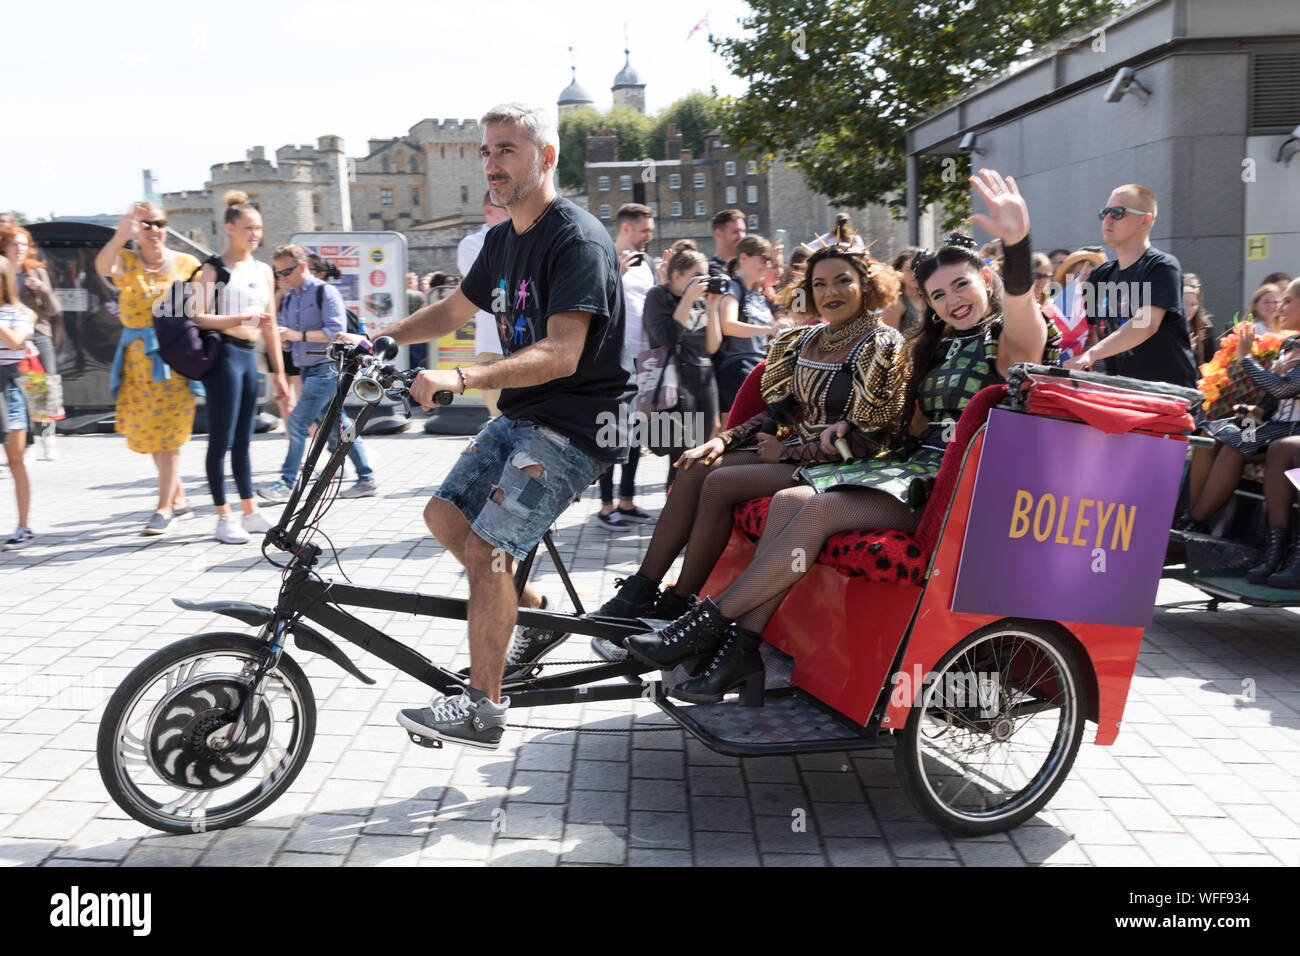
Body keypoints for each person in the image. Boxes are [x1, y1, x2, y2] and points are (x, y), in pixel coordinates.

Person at [620, 169, 1059, 703]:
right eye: (939, 294)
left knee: (818, 510)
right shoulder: (934, 346)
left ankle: (699, 625)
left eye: (963, 285)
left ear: (986, 281)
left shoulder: (1006, 345)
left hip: (962, 492)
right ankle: (742, 652)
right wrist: (847, 428)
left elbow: (1024, 314)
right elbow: (903, 424)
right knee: (789, 501)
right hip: (910, 473)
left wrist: (1017, 244)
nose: (951, 301)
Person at [333, 102, 633, 749]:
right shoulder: (502, 240)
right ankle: (530, 617)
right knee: (445, 517)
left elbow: (563, 353)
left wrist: (463, 378)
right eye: (487, 152)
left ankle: (483, 706)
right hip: (529, 414)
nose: (493, 164)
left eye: (507, 150)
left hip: (581, 423)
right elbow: (451, 310)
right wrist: (378, 340)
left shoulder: (573, 239)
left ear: (545, 158)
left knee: (489, 550)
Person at [595, 241, 910, 635]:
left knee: (720, 481)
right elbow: (779, 413)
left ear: (866, 285)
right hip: (792, 456)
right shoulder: (805, 340)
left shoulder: (882, 344)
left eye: (843, 281)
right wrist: (722, 441)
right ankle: (640, 592)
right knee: (696, 465)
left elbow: (867, 440)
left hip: (844, 467)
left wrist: (786, 451)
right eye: (819, 284)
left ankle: (679, 604)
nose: (830, 292)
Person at [93, 203, 202, 535]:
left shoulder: (187, 264)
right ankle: (180, 500)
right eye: (146, 224)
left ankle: (163, 507)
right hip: (138, 365)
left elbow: (206, 308)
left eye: (160, 223)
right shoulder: (126, 262)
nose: (154, 230)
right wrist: (121, 234)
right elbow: (101, 266)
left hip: (173, 360)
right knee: (153, 438)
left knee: (169, 439)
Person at [192, 191, 291, 544]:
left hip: (250, 358)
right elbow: (197, 316)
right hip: (224, 358)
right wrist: (239, 317)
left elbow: (270, 324)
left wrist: (279, 372)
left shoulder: (263, 270)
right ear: (230, 228)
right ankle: (223, 516)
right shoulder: (214, 268)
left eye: (259, 228)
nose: (254, 234)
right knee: (220, 441)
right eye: (248, 228)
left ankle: (249, 510)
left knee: (244, 442)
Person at [1182, 278, 1300, 542]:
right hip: (1273, 424)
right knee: (1208, 434)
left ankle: (1195, 524)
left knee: (1235, 447)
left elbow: (1285, 389)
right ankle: (1191, 519)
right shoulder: (1288, 344)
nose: (1280, 308)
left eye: (1288, 301)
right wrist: (1255, 410)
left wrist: (1246, 359)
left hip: (1292, 431)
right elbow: (1276, 398)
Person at [257, 244, 378, 501]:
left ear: (302, 267)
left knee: (298, 422)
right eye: (278, 273)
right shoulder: (290, 297)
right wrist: (286, 339)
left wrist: (295, 335)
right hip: (307, 370)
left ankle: (287, 482)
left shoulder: (326, 292)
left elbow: (336, 333)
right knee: (341, 424)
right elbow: (291, 335)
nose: (282, 278)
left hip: (326, 369)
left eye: (286, 271)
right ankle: (367, 479)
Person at [1064, 185, 1197, 387]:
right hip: (1123, 394)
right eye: (1104, 212)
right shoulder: (1101, 275)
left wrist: (1091, 355)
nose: (1108, 219)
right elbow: (1068, 324)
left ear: (1145, 220)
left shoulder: (1162, 266)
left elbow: (1146, 324)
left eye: (1118, 213)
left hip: (1168, 397)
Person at [597, 202, 657, 529]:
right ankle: (605, 507)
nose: (650, 235)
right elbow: (592, 301)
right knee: (611, 433)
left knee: (635, 436)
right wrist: (613, 276)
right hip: (614, 360)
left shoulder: (645, 264)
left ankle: (627, 501)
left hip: (642, 361)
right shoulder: (605, 256)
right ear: (625, 228)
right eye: (645, 229)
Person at [642, 248, 723, 487]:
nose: (703, 281)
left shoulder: (701, 299)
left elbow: (712, 346)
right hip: (676, 380)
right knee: (681, 453)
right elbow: (667, 337)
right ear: (677, 275)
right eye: (697, 275)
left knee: (699, 450)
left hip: (704, 376)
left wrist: (711, 305)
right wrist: (687, 299)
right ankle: (673, 512)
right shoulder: (658, 296)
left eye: (706, 275)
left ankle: (688, 509)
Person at [1, 225, 62, 460]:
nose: (19, 249)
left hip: (38, 334)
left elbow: (54, 309)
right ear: (4, 245)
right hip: (9, 336)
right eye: (14, 244)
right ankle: (26, 443)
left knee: (45, 386)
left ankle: (48, 438)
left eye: (24, 245)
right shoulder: (1, 270)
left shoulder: (35, 272)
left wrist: (43, 290)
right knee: (16, 390)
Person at [456, 191, 511, 417]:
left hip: (528, 347)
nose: (513, 213)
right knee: (502, 420)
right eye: (507, 208)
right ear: (489, 210)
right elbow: (492, 286)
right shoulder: (472, 244)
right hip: (493, 347)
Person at [715, 234, 783, 413]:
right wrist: (769, 329)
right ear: (744, 258)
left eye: (770, 260)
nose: (767, 265)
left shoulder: (757, 294)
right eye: (764, 259)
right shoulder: (734, 288)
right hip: (738, 369)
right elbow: (728, 325)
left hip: (759, 367)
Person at [0, 258, 36, 549]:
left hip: (8, 389)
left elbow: (14, 343)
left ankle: (23, 526)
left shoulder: (20, 313)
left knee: (15, 461)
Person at [883, 245, 925, 337]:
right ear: (899, 272)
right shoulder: (895, 303)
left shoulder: (930, 298)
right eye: (909, 269)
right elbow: (890, 341)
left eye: (918, 268)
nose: (914, 274)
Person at [1184, 272, 1214, 366]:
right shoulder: (1166, 323)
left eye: (1194, 286)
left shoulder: (1205, 326)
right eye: (1186, 285)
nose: (1191, 289)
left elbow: (1209, 360)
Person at [708, 208, 747, 277]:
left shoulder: (746, 268)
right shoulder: (711, 272)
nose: (741, 236)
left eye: (743, 231)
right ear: (718, 234)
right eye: (735, 232)